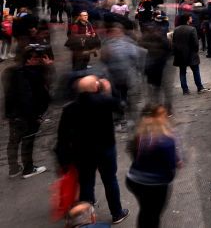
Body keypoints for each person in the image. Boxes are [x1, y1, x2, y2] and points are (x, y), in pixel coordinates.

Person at [55, 76, 130, 225]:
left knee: (86, 182)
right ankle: (116, 212)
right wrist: (109, 91)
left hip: (82, 152)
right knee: (110, 180)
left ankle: (84, 217)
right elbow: (121, 106)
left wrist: (62, 159)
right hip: (105, 149)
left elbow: (62, 136)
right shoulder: (104, 101)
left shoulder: (70, 108)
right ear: (96, 87)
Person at [126, 104, 180, 227]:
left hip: (133, 180)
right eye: (164, 115)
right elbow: (170, 167)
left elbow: (134, 155)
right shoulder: (166, 140)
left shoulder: (140, 135)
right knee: (154, 214)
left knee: (145, 210)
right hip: (155, 185)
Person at [4, 44, 51, 178]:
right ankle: (28, 168)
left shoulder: (13, 71)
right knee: (27, 140)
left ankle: (13, 168)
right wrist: (34, 116)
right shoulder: (31, 74)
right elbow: (29, 97)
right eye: (36, 58)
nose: (39, 60)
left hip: (14, 114)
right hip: (27, 115)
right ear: (28, 60)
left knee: (13, 141)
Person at [171, 14, 207, 94]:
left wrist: (174, 52)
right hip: (191, 54)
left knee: (182, 72)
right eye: (190, 18)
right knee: (196, 71)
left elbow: (173, 42)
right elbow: (195, 43)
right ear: (187, 19)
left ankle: (185, 90)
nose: (191, 19)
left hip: (180, 54)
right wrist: (196, 51)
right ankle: (199, 88)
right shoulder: (192, 29)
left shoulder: (176, 29)